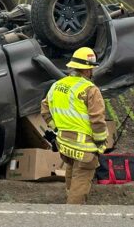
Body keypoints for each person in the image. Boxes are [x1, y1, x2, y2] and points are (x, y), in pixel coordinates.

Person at [41, 47, 108, 204]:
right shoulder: (90, 90)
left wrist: (57, 128)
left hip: (64, 143)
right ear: (87, 70)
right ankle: (73, 212)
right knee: (82, 180)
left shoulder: (57, 86)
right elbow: (97, 120)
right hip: (84, 147)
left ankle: (70, 199)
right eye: (91, 68)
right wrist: (100, 143)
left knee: (72, 169)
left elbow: (45, 110)